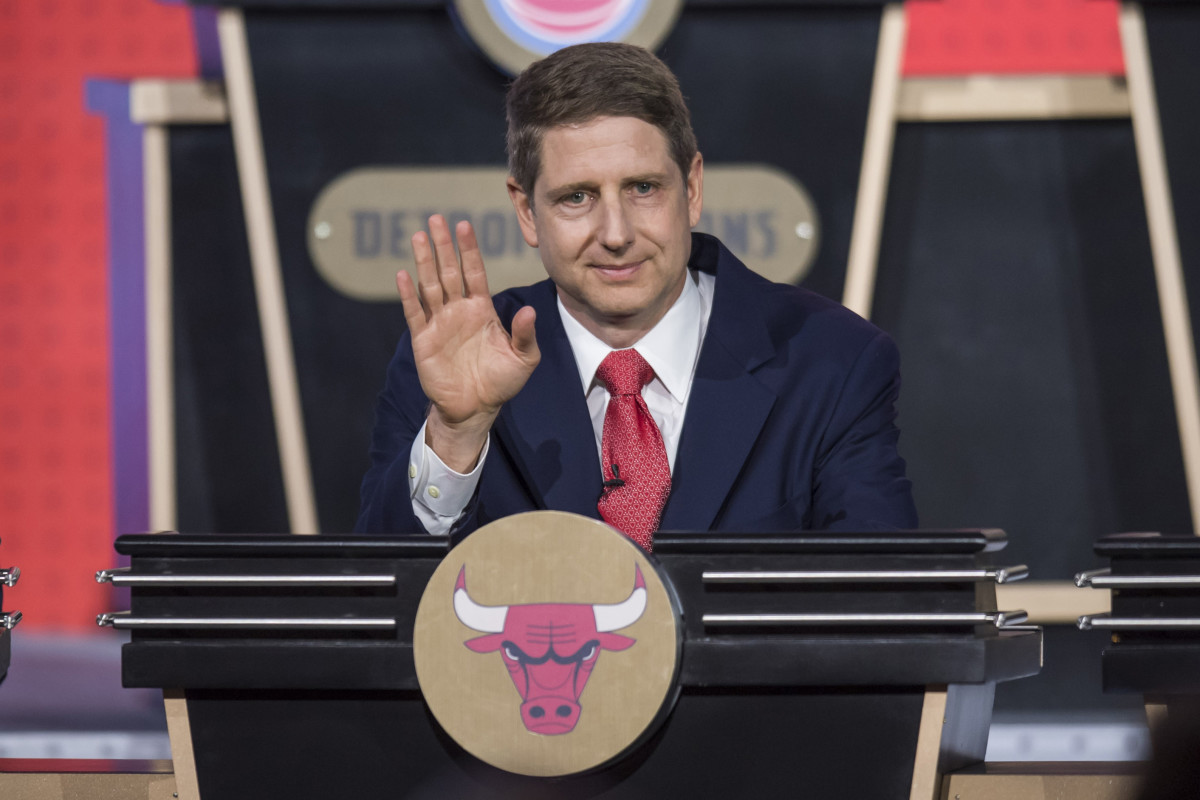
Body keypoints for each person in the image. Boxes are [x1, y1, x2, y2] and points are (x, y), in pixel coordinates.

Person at [355, 42, 916, 543]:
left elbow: (882, 604)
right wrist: (456, 436)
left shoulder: (832, 361)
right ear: (527, 212)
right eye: (577, 197)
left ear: (691, 189)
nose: (616, 233)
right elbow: (380, 603)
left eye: (643, 188)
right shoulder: (457, 363)